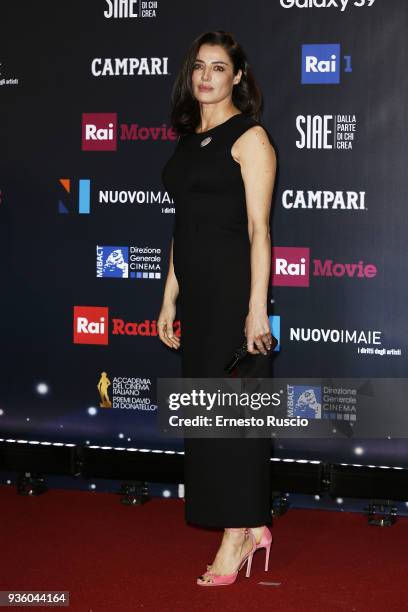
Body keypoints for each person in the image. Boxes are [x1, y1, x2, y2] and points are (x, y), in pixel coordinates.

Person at [158, 30, 277, 586]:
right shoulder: (186, 143)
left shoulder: (250, 138)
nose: (207, 76)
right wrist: (168, 298)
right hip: (198, 299)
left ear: (238, 78)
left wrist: (256, 311)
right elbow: (182, 229)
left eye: (219, 68)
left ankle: (239, 534)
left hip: (233, 294)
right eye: (200, 67)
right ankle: (246, 524)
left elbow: (259, 230)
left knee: (235, 419)